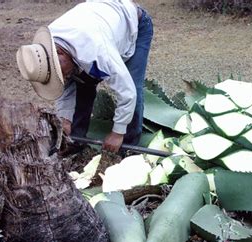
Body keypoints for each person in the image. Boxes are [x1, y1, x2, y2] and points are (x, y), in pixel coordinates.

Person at [16, 0, 153, 153]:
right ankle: (74, 141)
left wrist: (117, 133)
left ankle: (127, 147)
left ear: (60, 53)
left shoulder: (97, 52)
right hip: (100, 23)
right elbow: (64, 85)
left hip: (134, 23)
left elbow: (128, 93)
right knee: (81, 82)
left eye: (62, 73)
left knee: (133, 84)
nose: (65, 76)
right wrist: (65, 119)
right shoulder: (48, 49)